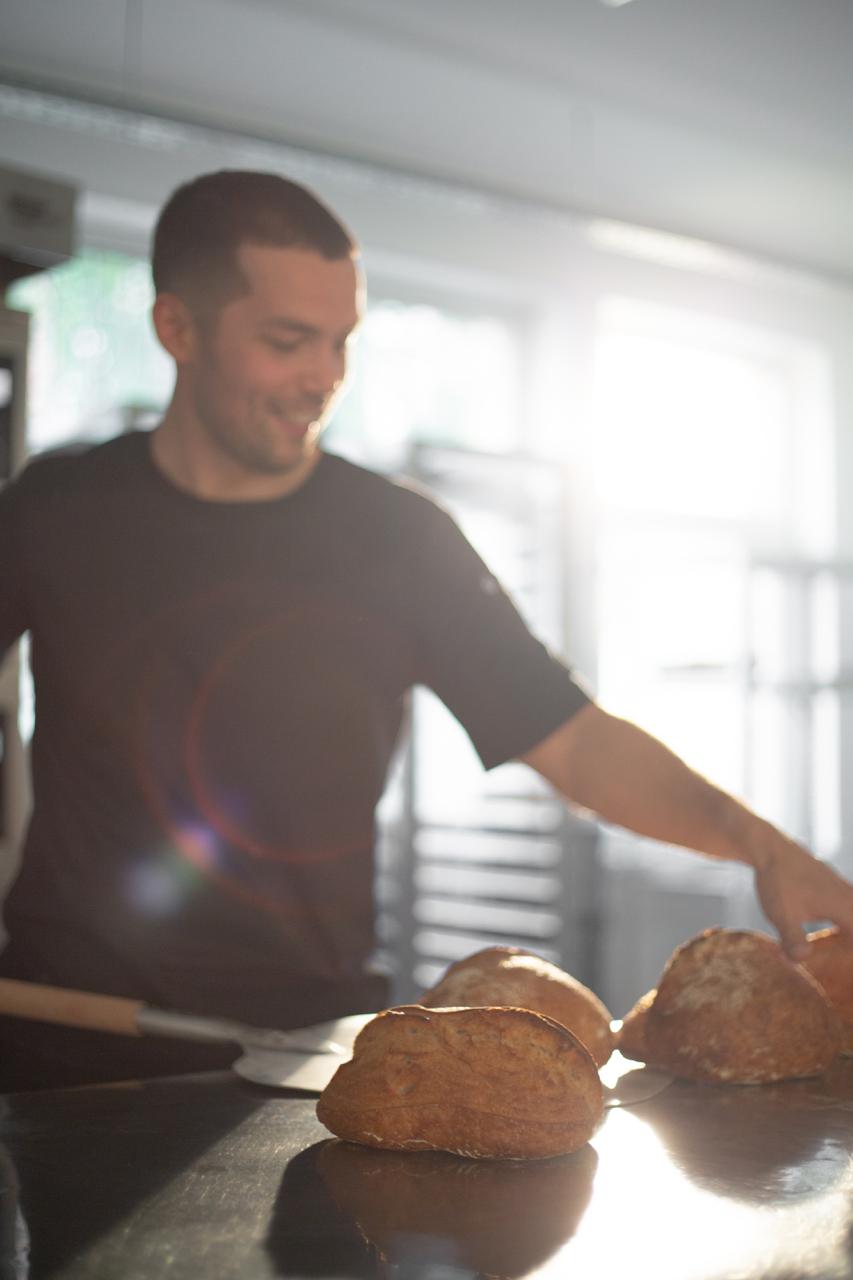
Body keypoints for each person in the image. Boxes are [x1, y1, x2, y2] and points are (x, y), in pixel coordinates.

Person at [1, 170, 852, 1092]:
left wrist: (756, 842)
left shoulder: (397, 538)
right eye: (288, 342)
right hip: (66, 1039)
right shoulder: (56, 507)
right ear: (177, 328)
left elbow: (573, 740)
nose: (323, 377)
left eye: (340, 343)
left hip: (295, 1053)